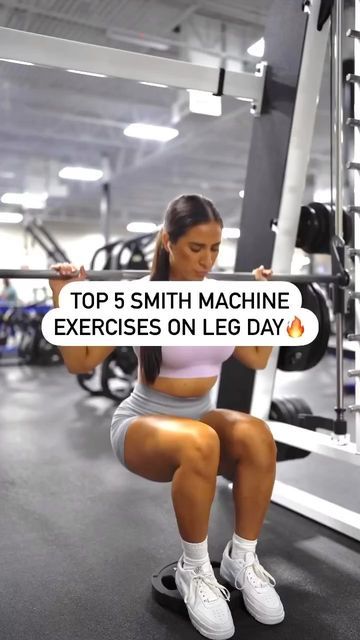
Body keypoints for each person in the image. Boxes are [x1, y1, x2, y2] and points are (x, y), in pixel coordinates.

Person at [49, 194, 284, 640]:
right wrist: (65, 298)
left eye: (214, 249)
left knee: (256, 434)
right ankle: (195, 571)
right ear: (168, 241)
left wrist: (265, 301)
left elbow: (256, 357)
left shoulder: (223, 298)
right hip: (142, 424)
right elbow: (81, 363)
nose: (207, 261)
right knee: (200, 440)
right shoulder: (136, 297)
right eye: (196, 248)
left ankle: (242, 559)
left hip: (199, 421)